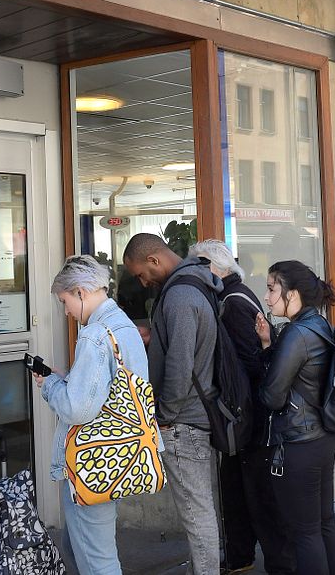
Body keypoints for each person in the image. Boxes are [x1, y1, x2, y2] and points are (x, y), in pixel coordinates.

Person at [34, 255, 148, 575]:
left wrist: (51, 385)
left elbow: (77, 409)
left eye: (65, 301)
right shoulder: (122, 325)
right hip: (118, 455)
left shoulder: (94, 335)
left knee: (97, 560)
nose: (66, 311)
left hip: (91, 462)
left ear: (81, 292)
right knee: (78, 546)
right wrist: (68, 380)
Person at [122, 233, 222, 575]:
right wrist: (155, 335)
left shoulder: (179, 296)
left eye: (140, 274)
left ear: (154, 260)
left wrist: (164, 415)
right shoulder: (196, 283)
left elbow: (180, 364)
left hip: (184, 421)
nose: (142, 282)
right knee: (200, 510)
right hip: (193, 414)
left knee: (197, 513)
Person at [186, 240, 289, 575]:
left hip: (247, 413)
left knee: (249, 491)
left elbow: (250, 361)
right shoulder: (234, 295)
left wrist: (234, 408)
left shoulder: (231, 302)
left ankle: (257, 559)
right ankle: (241, 556)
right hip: (249, 411)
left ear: (213, 268)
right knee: (240, 488)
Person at [254, 261, 335, 575]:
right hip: (323, 437)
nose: (267, 298)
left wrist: (264, 371)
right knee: (324, 522)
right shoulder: (319, 324)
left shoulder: (297, 334)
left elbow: (272, 397)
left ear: (292, 294)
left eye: (271, 289)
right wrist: (268, 344)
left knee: (305, 532)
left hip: (299, 443)